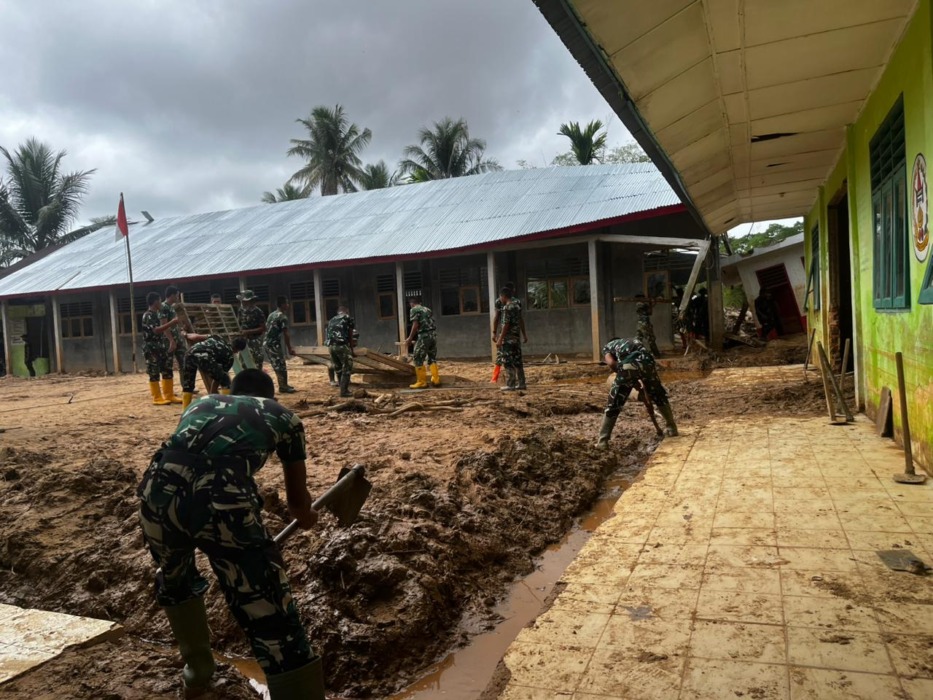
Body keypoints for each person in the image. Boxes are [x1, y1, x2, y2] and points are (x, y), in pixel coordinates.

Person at [137, 368, 324, 699]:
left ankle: (197, 674)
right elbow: (297, 504)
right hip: (222, 498)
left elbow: (193, 453)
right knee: (268, 606)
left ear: (232, 391)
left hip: (157, 490)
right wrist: (309, 517)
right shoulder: (284, 417)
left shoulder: (201, 402)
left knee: (176, 580)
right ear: (269, 397)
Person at [596, 337, 677, 449]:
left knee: (614, 403)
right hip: (648, 362)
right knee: (659, 395)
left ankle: (602, 441)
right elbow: (639, 363)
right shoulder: (632, 341)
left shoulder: (608, 347)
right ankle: (672, 428)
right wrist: (634, 382)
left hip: (628, 365)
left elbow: (611, 363)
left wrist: (623, 376)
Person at [179, 333, 249, 409]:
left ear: (231, 341)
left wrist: (186, 334)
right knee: (225, 380)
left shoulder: (218, 337)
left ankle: (185, 410)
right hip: (204, 357)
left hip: (189, 353)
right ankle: (227, 406)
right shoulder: (229, 357)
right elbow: (218, 379)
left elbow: (196, 337)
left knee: (188, 385)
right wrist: (213, 392)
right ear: (238, 350)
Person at [141, 292, 180, 405]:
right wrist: (171, 323)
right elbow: (156, 330)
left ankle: (169, 395)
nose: (161, 303)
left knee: (167, 369)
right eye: (159, 300)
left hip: (161, 346)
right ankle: (157, 397)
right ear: (155, 301)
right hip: (151, 347)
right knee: (154, 372)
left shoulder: (158, 314)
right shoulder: (148, 315)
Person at [491, 281, 528, 389]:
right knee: (518, 361)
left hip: (508, 338)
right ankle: (522, 383)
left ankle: (510, 385)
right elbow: (520, 319)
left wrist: (499, 338)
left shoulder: (506, 308)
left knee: (507, 361)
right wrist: (524, 334)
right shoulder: (516, 305)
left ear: (503, 296)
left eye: (500, 297)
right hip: (516, 337)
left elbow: (505, 324)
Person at [264, 296, 298, 394]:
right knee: (279, 365)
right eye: (286, 303)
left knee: (280, 363)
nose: (288, 305)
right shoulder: (282, 317)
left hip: (268, 343)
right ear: (282, 305)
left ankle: (284, 385)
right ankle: (283, 387)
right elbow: (286, 334)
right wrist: (289, 348)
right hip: (273, 344)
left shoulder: (272, 314)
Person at [405, 296, 440, 389]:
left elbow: (415, 324)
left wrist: (410, 338)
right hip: (433, 335)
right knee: (432, 357)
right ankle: (436, 379)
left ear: (411, 303)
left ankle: (421, 382)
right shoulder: (427, 309)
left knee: (417, 357)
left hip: (424, 335)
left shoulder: (414, 309)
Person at [160, 286, 188, 399]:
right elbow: (164, 325)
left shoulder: (172, 307)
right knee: (168, 366)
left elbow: (175, 324)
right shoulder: (163, 307)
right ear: (172, 295)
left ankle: (186, 387)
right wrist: (171, 340)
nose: (178, 297)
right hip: (168, 341)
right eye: (176, 295)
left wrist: (181, 330)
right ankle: (168, 392)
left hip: (178, 339)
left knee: (184, 362)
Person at [325, 304, 355, 398]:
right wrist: (351, 350)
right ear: (346, 311)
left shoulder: (331, 320)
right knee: (347, 367)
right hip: (341, 345)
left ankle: (342, 389)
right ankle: (344, 391)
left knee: (338, 368)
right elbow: (350, 334)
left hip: (331, 347)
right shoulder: (348, 318)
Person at [237, 290, 267, 370]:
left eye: (245, 301)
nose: (243, 303)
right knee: (243, 363)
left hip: (255, 341)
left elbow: (263, 328)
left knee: (257, 363)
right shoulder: (241, 310)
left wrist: (248, 331)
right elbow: (239, 324)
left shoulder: (258, 312)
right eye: (242, 301)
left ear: (251, 301)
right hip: (243, 340)